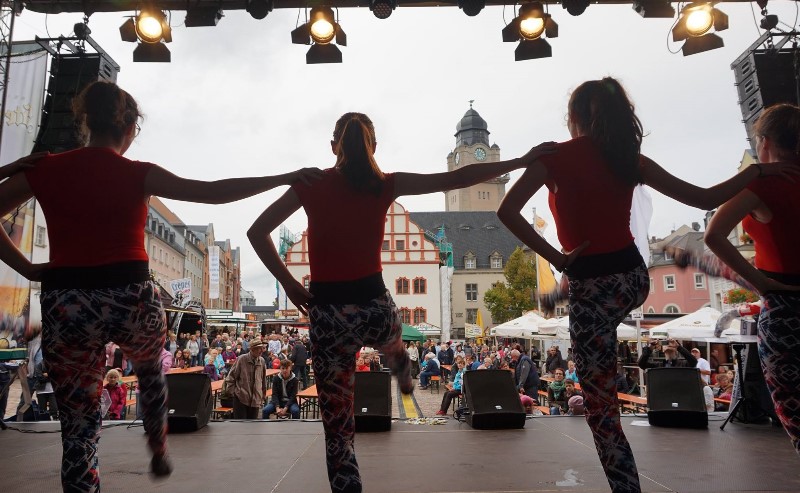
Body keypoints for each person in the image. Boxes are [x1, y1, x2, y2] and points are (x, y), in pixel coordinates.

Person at [0, 80, 323, 489]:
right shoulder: (138, 173)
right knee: (151, 369)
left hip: (67, 298)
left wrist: (27, 266)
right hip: (128, 292)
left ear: (84, 121)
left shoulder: (45, 169)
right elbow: (212, 192)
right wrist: (283, 176)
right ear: (130, 125)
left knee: (78, 425)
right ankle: (157, 440)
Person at [496, 76, 799, 492]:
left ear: (575, 117)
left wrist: (556, 258)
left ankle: (626, 486)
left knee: (601, 409)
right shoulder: (627, 156)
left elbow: (507, 211)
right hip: (633, 279)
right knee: (603, 369)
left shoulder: (553, 158)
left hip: (592, 285)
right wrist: (757, 171)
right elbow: (704, 197)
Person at [247, 111, 554, 493]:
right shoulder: (385, 184)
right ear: (374, 145)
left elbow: (256, 231)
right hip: (373, 305)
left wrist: (291, 284)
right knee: (391, 328)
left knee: (338, 425)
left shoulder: (311, 184)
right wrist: (522, 161)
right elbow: (457, 178)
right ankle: (399, 361)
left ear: (332, 147)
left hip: (327, 313)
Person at [704, 103, 800, 455]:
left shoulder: (766, 183)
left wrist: (759, 283)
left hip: (786, 306)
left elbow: (713, 235)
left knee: (795, 411)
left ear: (764, 141)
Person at [224, 338, 268, 419]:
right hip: (241, 399)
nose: (261, 350)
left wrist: (263, 395)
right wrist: (234, 393)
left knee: (252, 428)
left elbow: (263, 380)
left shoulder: (262, 361)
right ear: (252, 349)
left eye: (262, 348)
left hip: (256, 399)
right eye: (259, 348)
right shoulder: (242, 359)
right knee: (240, 426)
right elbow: (231, 377)